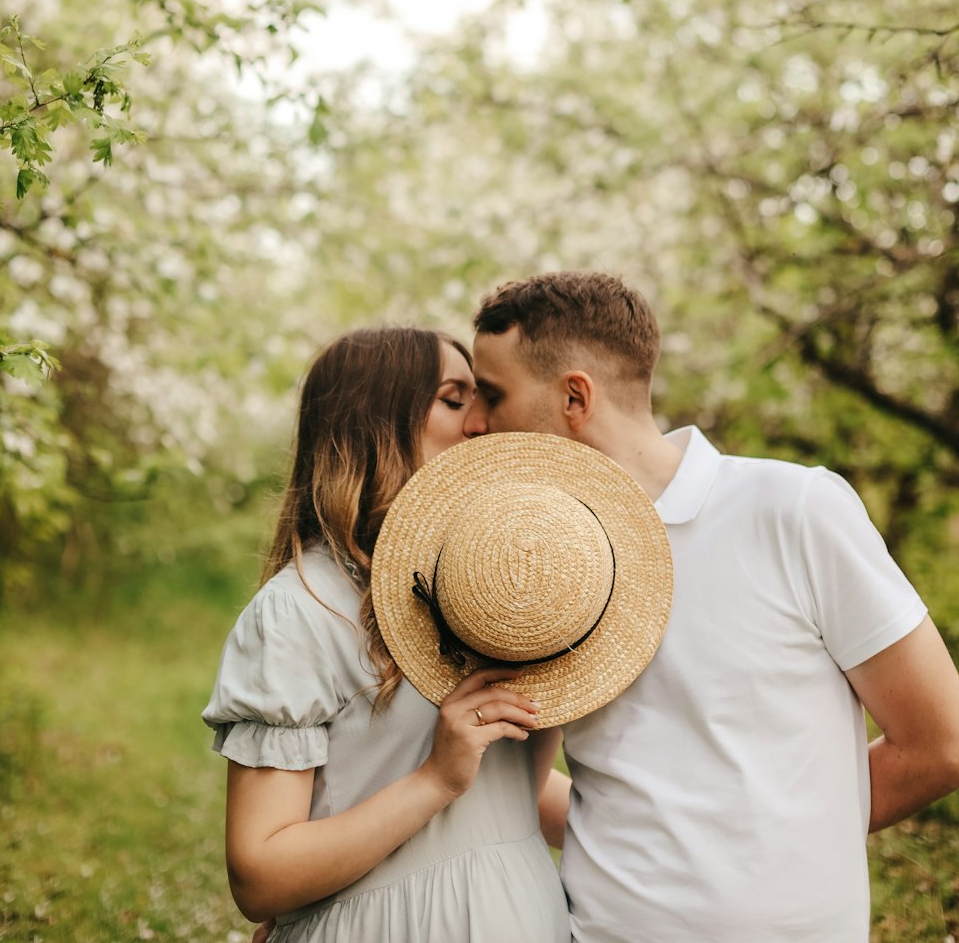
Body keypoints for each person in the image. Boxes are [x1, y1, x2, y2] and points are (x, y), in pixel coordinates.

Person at [466, 270, 959, 943]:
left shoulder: (795, 510)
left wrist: (792, 834)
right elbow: (525, 789)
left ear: (575, 397)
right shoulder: (533, 568)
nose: (476, 425)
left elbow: (942, 742)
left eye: (492, 396)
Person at [201, 326, 571, 943]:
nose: (482, 424)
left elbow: (507, 797)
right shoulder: (304, 609)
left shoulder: (490, 591)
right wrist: (435, 779)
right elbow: (260, 875)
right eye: (454, 400)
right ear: (375, 422)